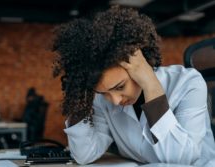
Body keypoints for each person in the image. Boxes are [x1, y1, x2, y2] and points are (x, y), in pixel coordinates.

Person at [52, 6, 215, 166]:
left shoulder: (187, 83)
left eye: (120, 87)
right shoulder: (103, 99)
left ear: (141, 64)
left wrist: (151, 84)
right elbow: (84, 154)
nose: (114, 100)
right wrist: (79, 100)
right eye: (103, 93)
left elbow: (182, 161)